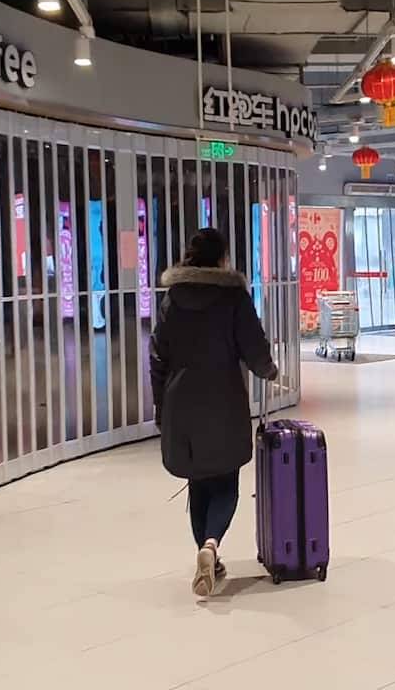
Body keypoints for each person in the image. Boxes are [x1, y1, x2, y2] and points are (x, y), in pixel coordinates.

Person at [150, 228, 278, 598]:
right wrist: (268, 370)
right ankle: (211, 545)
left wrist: (161, 405)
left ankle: (206, 553)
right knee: (226, 482)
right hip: (223, 399)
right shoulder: (233, 296)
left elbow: (157, 356)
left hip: (181, 402)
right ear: (222, 257)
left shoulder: (173, 298)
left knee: (198, 481)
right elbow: (253, 347)